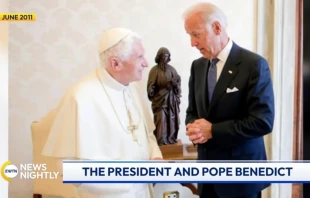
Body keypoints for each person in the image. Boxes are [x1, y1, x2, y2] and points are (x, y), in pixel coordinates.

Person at [42, 27, 163, 198]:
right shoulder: (80, 96)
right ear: (115, 63)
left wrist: (155, 157)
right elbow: (68, 167)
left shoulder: (134, 89)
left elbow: (147, 135)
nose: (146, 63)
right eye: (139, 57)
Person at [183, 3, 275, 198]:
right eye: (189, 35)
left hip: (240, 178)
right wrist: (193, 128)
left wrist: (212, 130)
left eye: (196, 34)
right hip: (207, 176)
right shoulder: (197, 66)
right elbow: (192, 112)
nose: (192, 43)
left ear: (217, 28)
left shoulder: (254, 64)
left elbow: (262, 122)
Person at [147, 47, 181, 146]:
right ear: (159, 57)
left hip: (171, 101)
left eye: (166, 57)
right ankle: (161, 140)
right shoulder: (154, 70)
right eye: (162, 57)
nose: (164, 60)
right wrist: (151, 90)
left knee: (172, 120)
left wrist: (175, 86)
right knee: (161, 120)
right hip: (160, 100)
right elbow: (151, 85)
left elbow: (178, 88)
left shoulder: (172, 70)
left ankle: (171, 138)